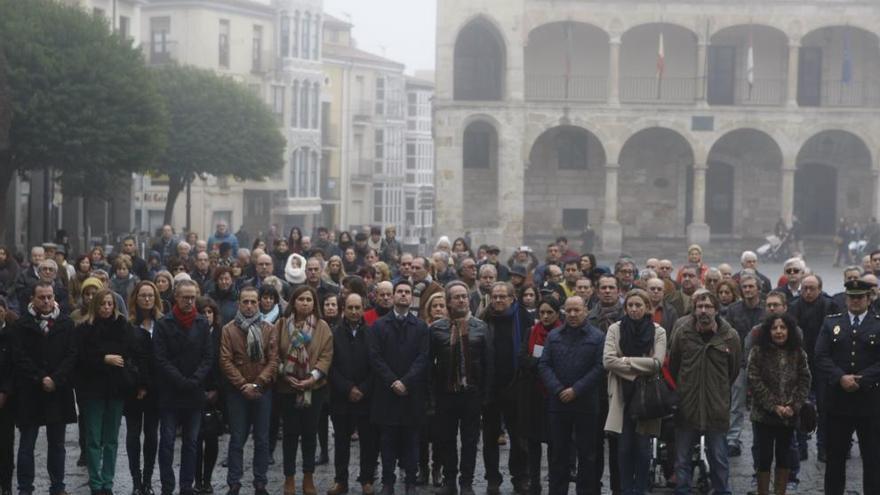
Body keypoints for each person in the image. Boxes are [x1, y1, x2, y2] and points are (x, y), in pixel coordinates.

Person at [668, 290, 740, 495]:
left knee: (719, 457)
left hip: (716, 407)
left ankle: (722, 491)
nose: (703, 311)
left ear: (716, 310)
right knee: (682, 459)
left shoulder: (729, 336)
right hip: (687, 406)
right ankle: (683, 491)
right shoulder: (683, 334)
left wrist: (716, 390)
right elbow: (674, 365)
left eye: (708, 307)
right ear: (694, 310)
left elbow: (733, 371)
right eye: (699, 307)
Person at [10, 282, 78, 495]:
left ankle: (58, 486)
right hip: (30, 391)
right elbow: (19, 357)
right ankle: (25, 488)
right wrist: (41, 378)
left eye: (49, 297)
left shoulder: (66, 323)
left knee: (57, 444)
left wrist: (55, 379)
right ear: (33, 298)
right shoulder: (21, 325)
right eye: (42, 297)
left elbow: (72, 355)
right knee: (26, 445)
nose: (46, 301)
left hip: (57, 391)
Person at [815, 279, 880, 495]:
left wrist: (861, 379)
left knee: (872, 459)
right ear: (846, 298)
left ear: (868, 298)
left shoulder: (877, 323)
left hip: (869, 401)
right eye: (851, 297)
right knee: (835, 459)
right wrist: (841, 377)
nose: (855, 301)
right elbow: (821, 356)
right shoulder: (831, 323)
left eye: (860, 297)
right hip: (838, 402)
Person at [429, 282, 493, 495]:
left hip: (471, 394)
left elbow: (488, 364)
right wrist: (431, 397)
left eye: (464, 296)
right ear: (448, 301)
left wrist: (485, 395)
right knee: (446, 439)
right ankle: (449, 481)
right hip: (446, 393)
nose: (461, 300)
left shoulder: (480, 327)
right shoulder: (437, 329)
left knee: (470, 440)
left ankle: (466, 481)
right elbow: (429, 364)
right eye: (456, 297)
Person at [153, 280, 216, 495]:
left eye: (192, 297)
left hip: (194, 392)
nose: (189, 301)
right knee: (168, 441)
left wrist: (195, 380)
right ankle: (167, 485)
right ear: (176, 298)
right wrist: (180, 380)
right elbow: (160, 359)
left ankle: (186, 485)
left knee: (191, 442)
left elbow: (208, 357)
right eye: (185, 297)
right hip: (171, 392)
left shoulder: (201, 323)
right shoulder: (163, 324)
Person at [367, 281, 430, 495]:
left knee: (412, 441)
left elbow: (423, 358)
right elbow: (375, 358)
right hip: (387, 393)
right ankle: (387, 482)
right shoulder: (379, 326)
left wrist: (406, 381)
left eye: (407, 292)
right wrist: (393, 381)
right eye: (399, 292)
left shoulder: (420, 327)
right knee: (387, 441)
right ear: (393, 296)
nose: (403, 295)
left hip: (411, 394)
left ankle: (411, 482)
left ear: (411, 297)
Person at [538, 296, 605, 495]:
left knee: (587, 454)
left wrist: (576, 389)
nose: (573, 315)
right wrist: (558, 389)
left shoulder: (597, 336)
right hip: (558, 404)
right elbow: (544, 365)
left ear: (585, 310)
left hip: (586, 403)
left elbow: (600, 367)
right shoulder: (554, 336)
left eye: (577, 310)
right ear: (564, 312)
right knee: (559, 454)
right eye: (569, 311)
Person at [603, 289, 667, 495]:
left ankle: (640, 489)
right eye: (630, 305)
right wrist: (639, 367)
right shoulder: (615, 329)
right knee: (623, 448)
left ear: (647, 307)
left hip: (646, 395)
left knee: (642, 447)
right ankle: (625, 489)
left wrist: (626, 362)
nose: (634, 309)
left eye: (638, 305)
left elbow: (657, 363)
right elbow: (608, 361)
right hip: (621, 393)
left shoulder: (658, 331)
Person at [77, 288, 140, 495]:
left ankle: (107, 482)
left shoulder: (123, 326)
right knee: (94, 438)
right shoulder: (85, 328)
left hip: (116, 388)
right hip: (93, 389)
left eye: (109, 304)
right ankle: (95, 483)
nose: (106, 307)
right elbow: (81, 357)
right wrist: (104, 359)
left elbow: (129, 354)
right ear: (96, 305)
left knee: (111, 439)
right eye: (103, 304)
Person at [219, 286, 279, 495]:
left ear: (259, 303)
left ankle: (260, 482)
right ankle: (234, 482)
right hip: (238, 391)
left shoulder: (268, 328)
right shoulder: (228, 329)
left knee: (262, 439)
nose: (249, 305)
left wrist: (258, 383)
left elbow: (273, 360)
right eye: (245, 301)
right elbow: (225, 361)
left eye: (253, 301)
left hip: (262, 390)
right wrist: (243, 384)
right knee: (237, 438)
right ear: (239, 303)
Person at [277, 286, 334, 495]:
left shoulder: (322, 327)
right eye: (301, 299)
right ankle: (289, 478)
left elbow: (326, 355)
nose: (305, 303)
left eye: (309, 299)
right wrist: (285, 373)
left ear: (314, 303)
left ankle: (308, 477)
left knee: (310, 433)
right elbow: (274, 353)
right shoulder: (282, 324)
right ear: (293, 302)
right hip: (287, 387)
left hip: (314, 389)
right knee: (290, 434)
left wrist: (313, 377)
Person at [747, 313, 811, 495]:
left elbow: (804, 379)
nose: (779, 331)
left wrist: (794, 406)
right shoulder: (758, 351)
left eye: (783, 328)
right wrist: (774, 406)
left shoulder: (798, 352)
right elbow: (753, 380)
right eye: (775, 328)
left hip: (788, 416)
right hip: (764, 416)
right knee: (763, 457)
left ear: (789, 330)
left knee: (785, 456)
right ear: (768, 331)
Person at [481, 282, 532, 495]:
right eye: (495, 296)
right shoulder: (484, 318)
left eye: (503, 296)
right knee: (490, 437)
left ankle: (520, 477)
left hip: (516, 386)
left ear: (512, 298)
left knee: (519, 437)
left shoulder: (523, 317)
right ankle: (493, 478)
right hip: (490, 387)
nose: (499, 300)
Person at [328, 293, 378, 495]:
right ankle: (341, 481)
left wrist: (363, 389)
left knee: (368, 442)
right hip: (342, 397)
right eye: (350, 308)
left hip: (366, 397)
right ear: (344, 309)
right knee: (341, 443)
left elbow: (377, 366)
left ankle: (366, 479)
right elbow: (330, 366)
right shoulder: (334, 333)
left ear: (363, 308)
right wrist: (348, 388)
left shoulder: (372, 333)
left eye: (358, 308)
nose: (354, 312)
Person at [125, 282, 163, 495]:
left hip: (156, 388)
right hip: (134, 389)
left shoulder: (162, 323)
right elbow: (128, 357)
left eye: (150, 295)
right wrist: (140, 384)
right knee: (132, 434)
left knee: (151, 434)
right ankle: (136, 480)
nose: (147, 299)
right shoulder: (128, 325)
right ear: (136, 298)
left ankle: (147, 479)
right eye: (143, 295)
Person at [521, 298, 561, 495]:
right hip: (534, 394)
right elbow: (523, 359)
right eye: (542, 312)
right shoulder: (531, 332)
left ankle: (555, 481)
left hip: (555, 394)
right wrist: (540, 363)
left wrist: (541, 363)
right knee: (533, 442)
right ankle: (534, 481)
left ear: (557, 314)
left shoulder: (562, 333)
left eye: (549, 312)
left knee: (555, 442)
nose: (545, 316)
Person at [724, 273, 765, 457]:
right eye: (745, 287)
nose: (747, 290)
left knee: (764, 402)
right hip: (739, 362)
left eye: (751, 286)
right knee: (736, 403)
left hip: (763, 364)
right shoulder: (733, 310)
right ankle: (732, 439)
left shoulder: (767, 309)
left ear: (758, 288)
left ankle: (763, 439)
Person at [0, 297, 14, 495]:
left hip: (6, 400)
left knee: (5, 445)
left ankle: (7, 485)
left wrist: (4, 391)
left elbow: (14, 366)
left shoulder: (12, 334)